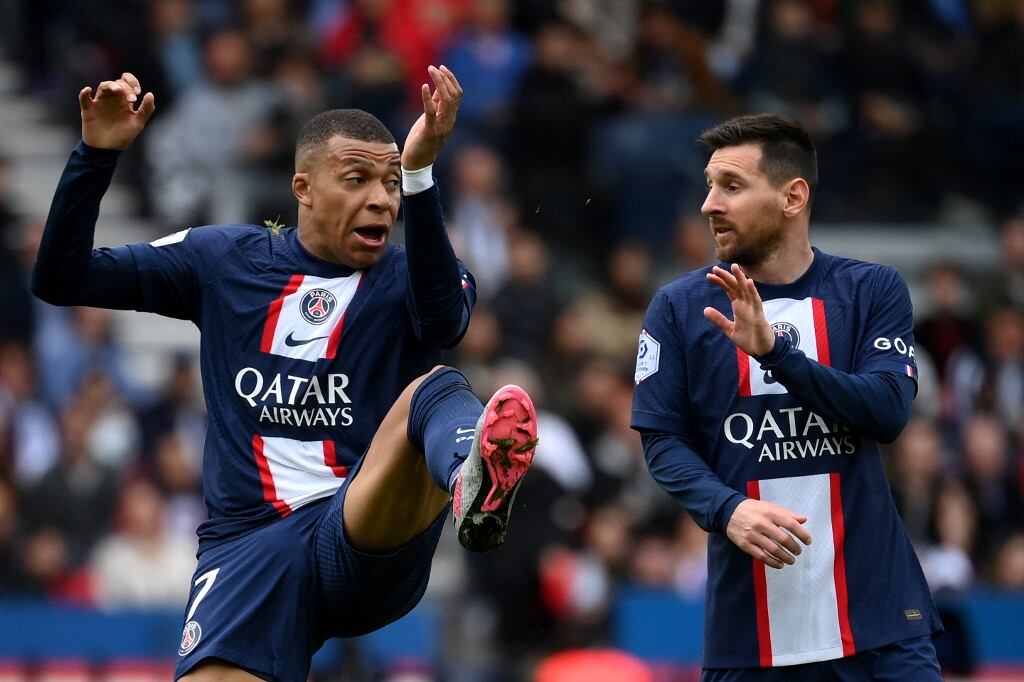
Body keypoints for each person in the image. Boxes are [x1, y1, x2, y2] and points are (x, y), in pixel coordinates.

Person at [32, 66, 539, 681]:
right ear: (303, 187)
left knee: (435, 389)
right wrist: (95, 154)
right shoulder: (223, 260)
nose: (381, 199)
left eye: (390, 184)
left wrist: (421, 173)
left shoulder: (413, 274)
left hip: (358, 528)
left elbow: (445, 323)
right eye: (357, 179)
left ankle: (472, 479)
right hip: (250, 543)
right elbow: (61, 278)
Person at [631, 114, 942, 680]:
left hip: (879, 630)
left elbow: (888, 410)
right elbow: (663, 441)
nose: (709, 204)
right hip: (751, 640)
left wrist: (777, 354)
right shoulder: (678, 308)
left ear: (793, 197)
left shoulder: (870, 289)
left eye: (731, 186)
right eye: (709, 185)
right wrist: (727, 509)